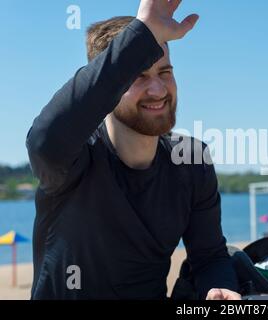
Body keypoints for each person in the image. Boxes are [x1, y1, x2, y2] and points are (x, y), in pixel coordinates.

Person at [26, 0, 241, 300]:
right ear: (106, 87)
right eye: (138, 76)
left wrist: (219, 287)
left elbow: (209, 257)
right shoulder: (72, 160)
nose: (158, 90)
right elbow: (44, 140)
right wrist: (144, 33)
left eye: (165, 72)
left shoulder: (191, 161)